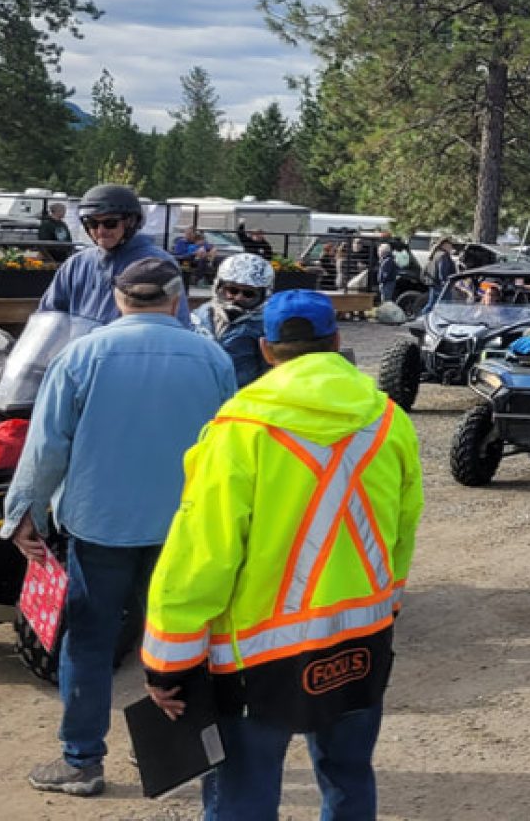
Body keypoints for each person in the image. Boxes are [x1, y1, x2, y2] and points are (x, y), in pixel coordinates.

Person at [141, 291, 423, 820]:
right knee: (349, 779)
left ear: (267, 350)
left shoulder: (238, 430)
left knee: (243, 797)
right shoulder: (387, 420)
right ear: (337, 343)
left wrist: (168, 661)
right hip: (360, 642)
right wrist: (388, 609)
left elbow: (202, 554)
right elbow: (403, 528)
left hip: (257, 659)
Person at [2, 257, 237, 797]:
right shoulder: (213, 358)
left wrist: (23, 513)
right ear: (178, 299)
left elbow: (46, 446)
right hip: (185, 527)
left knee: (88, 641)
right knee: (184, 635)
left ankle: (82, 762)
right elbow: (230, 448)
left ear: (118, 300)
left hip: (100, 525)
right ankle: (192, 756)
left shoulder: (81, 354)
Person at [39, 184, 191, 326]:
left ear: (131, 222)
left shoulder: (159, 265)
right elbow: (48, 318)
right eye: (92, 223)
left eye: (110, 223)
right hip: (85, 352)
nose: (100, 231)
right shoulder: (76, 264)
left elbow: (178, 323)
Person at [194, 253, 278, 387]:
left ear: (263, 294)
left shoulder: (265, 327)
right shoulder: (198, 316)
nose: (238, 298)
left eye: (248, 293)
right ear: (219, 286)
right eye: (232, 290)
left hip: (241, 397)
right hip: (201, 391)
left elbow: (269, 372)